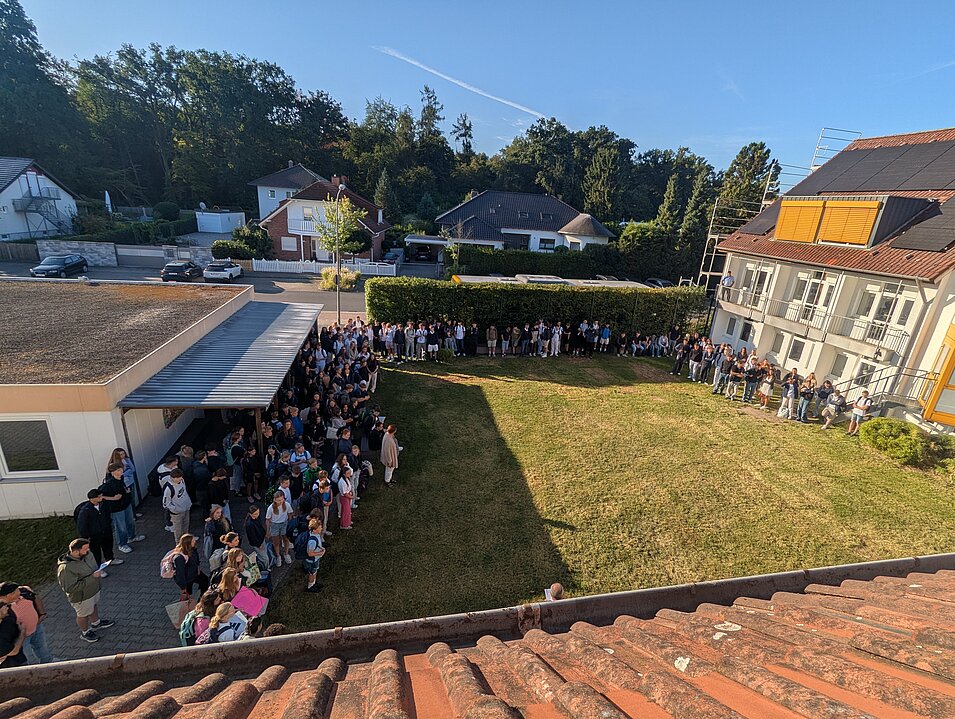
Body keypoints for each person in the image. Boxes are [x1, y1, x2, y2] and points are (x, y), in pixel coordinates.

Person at [56, 539, 114, 643]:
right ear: (76, 551)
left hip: (93, 589)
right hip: (82, 596)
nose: (88, 550)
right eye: (85, 549)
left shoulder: (87, 554)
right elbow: (70, 588)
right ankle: (85, 632)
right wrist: (92, 577)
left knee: (93, 606)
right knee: (83, 614)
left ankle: (96, 623)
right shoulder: (66, 568)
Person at [0, 582, 53, 664]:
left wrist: (42, 613)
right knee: (27, 657)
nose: (19, 592)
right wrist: (21, 633)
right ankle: (33, 669)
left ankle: (48, 662)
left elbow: (35, 597)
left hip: (37, 628)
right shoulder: (2, 607)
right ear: (9, 595)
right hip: (21, 638)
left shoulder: (25, 592)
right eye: (17, 591)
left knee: (42, 648)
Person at [100, 462, 144, 554]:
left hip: (126, 504)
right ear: (113, 472)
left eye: (121, 469)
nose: (121, 472)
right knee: (121, 527)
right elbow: (100, 495)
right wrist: (113, 498)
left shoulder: (121, 478)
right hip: (117, 508)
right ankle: (122, 544)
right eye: (118, 470)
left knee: (130, 522)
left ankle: (131, 537)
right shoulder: (108, 484)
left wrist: (126, 491)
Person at [75, 489, 122, 570]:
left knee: (108, 546)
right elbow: (82, 525)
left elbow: (107, 515)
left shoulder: (103, 504)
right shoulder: (85, 510)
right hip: (94, 535)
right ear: (93, 498)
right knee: (96, 552)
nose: (101, 497)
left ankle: (110, 559)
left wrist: (109, 525)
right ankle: (98, 568)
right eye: (99, 496)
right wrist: (86, 537)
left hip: (106, 531)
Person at [172, 534, 210, 598]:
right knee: (188, 593)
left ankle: (202, 597)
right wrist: (183, 587)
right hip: (187, 578)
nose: (195, 541)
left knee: (205, 581)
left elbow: (196, 559)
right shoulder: (179, 557)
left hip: (194, 573)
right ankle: (189, 602)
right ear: (187, 543)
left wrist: (198, 568)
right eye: (192, 541)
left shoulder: (192, 549)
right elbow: (180, 573)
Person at [162, 468, 192, 541]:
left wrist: (188, 504)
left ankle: (187, 542)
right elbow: (166, 504)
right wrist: (175, 509)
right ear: (172, 478)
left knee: (186, 526)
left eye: (180, 477)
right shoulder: (169, 488)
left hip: (186, 508)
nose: (180, 479)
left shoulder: (182, 481)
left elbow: (184, 493)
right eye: (177, 478)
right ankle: (179, 545)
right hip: (177, 513)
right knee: (178, 531)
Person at [265, 491, 292, 567]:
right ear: (274, 500)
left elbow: (290, 514)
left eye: (282, 499)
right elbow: (267, 520)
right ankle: (278, 556)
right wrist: (268, 531)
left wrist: (290, 525)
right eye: (278, 500)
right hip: (274, 525)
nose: (280, 501)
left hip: (284, 523)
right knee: (276, 542)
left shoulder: (287, 505)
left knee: (286, 539)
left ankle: (286, 554)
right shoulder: (270, 508)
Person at [0, 601, 25, 668]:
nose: (7, 608)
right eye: (5, 606)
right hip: (11, 666)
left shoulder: (7, 619)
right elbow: (14, 651)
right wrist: (22, 633)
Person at [303, 517, 326, 593]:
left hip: (315, 559)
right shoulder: (312, 541)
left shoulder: (316, 534)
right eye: (319, 528)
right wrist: (320, 553)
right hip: (312, 560)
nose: (321, 528)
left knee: (315, 571)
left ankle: (313, 583)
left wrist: (321, 548)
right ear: (314, 530)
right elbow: (310, 553)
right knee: (312, 573)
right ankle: (310, 586)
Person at [337, 466, 354, 530]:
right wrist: (351, 497)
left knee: (348, 510)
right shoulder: (342, 481)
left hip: (347, 496)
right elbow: (344, 493)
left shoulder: (346, 478)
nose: (349, 474)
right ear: (344, 474)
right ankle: (344, 525)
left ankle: (348, 521)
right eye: (348, 473)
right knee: (346, 511)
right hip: (344, 498)